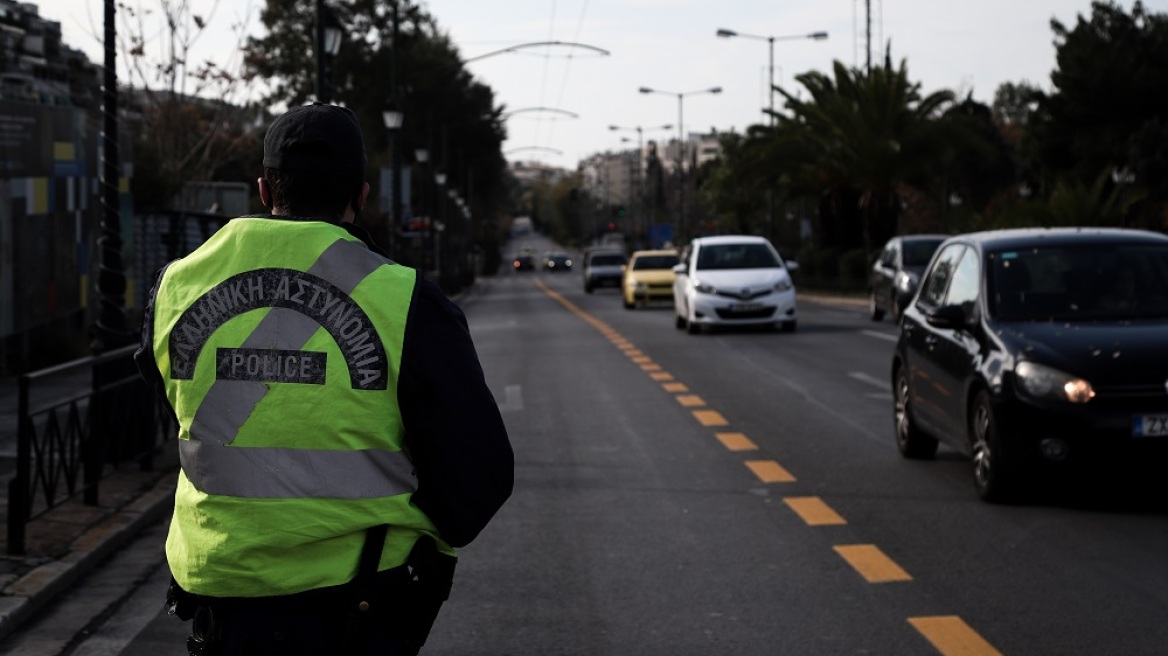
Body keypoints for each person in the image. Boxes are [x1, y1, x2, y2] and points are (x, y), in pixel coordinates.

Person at [135, 102, 514, 656]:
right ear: (360, 197)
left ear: (264, 190)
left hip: (221, 594)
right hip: (363, 599)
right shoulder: (407, 300)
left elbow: (164, 393)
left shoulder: (175, 286)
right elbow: (479, 474)